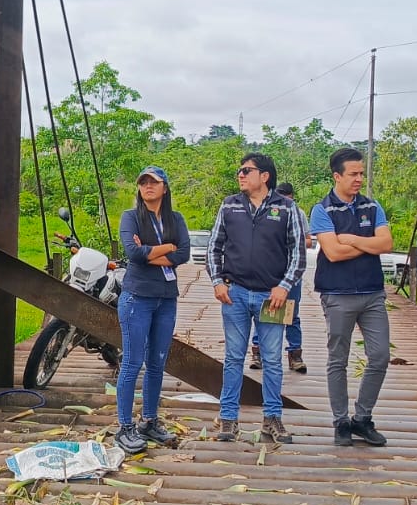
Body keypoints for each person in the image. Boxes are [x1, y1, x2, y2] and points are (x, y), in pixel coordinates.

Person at [207, 152, 307, 443]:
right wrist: (217, 282)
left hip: (272, 296)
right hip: (235, 294)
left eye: (246, 170)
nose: (240, 174)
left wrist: (284, 286)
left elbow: (299, 254)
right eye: (239, 170)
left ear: (264, 176)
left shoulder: (286, 208)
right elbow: (214, 247)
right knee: (233, 358)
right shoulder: (229, 205)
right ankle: (228, 418)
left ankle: (272, 419)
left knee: (272, 360)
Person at [310, 147, 392, 447]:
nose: (359, 179)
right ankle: (341, 421)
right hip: (337, 294)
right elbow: (333, 252)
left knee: (380, 356)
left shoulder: (372, 206)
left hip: (372, 293)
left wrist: (354, 239)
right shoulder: (322, 210)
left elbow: (386, 243)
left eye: (361, 173)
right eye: (353, 174)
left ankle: (363, 417)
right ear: (337, 176)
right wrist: (369, 244)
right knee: (338, 359)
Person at [115, 166, 191, 454]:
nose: (148, 186)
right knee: (132, 362)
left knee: (157, 363)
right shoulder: (131, 217)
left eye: (154, 182)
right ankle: (125, 427)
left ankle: (149, 421)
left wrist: (151, 251)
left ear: (165, 188)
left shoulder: (175, 219)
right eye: (143, 182)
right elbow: (133, 254)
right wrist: (167, 247)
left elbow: (183, 254)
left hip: (166, 298)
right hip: (137, 298)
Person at [251, 181, 310, 374]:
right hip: (269, 274)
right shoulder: (265, 211)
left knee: (291, 314)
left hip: (291, 274)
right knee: (264, 312)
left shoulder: (297, 213)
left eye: (287, 198)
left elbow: (307, 241)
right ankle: (258, 352)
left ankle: (295, 354)